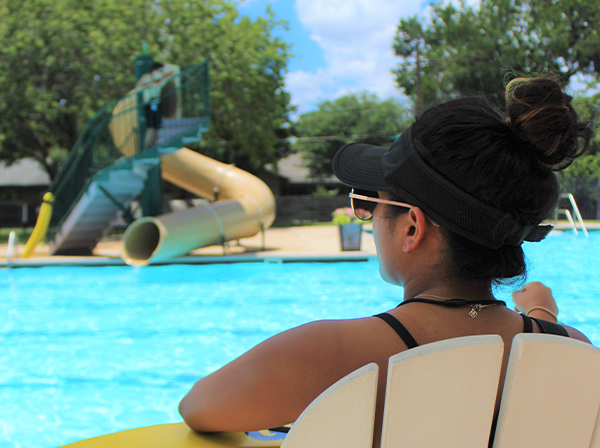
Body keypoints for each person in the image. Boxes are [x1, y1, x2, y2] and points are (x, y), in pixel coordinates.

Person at [179, 76, 593, 446]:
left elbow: (199, 407)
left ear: (413, 226)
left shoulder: (326, 354)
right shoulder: (570, 349)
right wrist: (542, 317)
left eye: (368, 204)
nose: (369, 219)